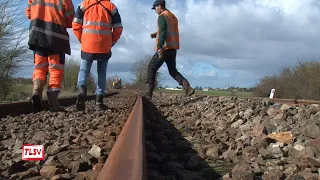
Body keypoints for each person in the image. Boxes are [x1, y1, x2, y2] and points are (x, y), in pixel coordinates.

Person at [72, 0, 123, 111]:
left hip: (87, 43)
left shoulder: (84, 5)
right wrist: (111, 42)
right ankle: (99, 102)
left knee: (84, 70)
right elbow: (118, 28)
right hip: (104, 45)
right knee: (102, 72)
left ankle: (81, 90)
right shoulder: (111, 7)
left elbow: (75, 24)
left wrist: (82, 39)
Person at [25, 0, 75, 112]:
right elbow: (70, 19)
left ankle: (36, 91)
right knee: (56, 69)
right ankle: (53, 103)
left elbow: (28, 13)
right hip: (57, 38)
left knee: (39, 67)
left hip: (37, 36)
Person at [145, 0, 195, 100]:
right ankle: (187, 87)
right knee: (172, 70)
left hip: (165, 48)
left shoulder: (162, 16)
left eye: (155, 7)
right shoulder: (172, 16)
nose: (155, 10)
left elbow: (163, 32)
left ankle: (148, 93)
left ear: (160, 6)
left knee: (151, 67)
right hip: (172, 48)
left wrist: (159, 48)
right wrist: (156, 34)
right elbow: (168, 30)